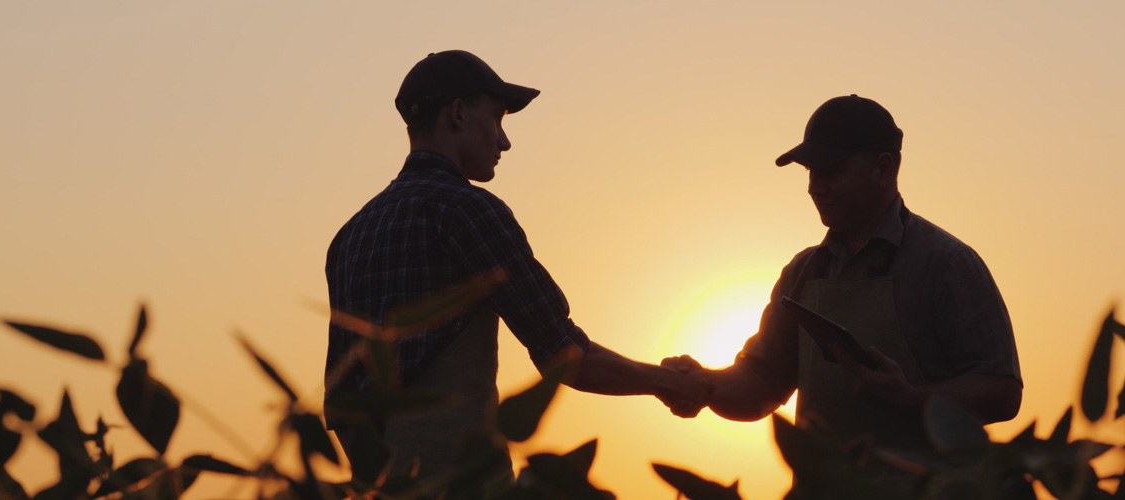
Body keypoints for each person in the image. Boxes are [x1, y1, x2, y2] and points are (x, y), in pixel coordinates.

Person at [323, 50, 706, 490]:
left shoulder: (349, 237)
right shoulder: (468, 211)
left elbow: (342, 406)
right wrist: (667, 382)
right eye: (498, 118)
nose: (505, 142)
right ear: (459, 113)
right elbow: (565, 355)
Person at [662, 95, 1022, 474]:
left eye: (830, 171)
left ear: (883, 169)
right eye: (810, 174)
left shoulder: (948, 265)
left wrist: (913, 398)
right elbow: (762, 385)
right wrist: (703, 384)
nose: (814, 188)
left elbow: (1003, 392)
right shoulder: (802, 272)